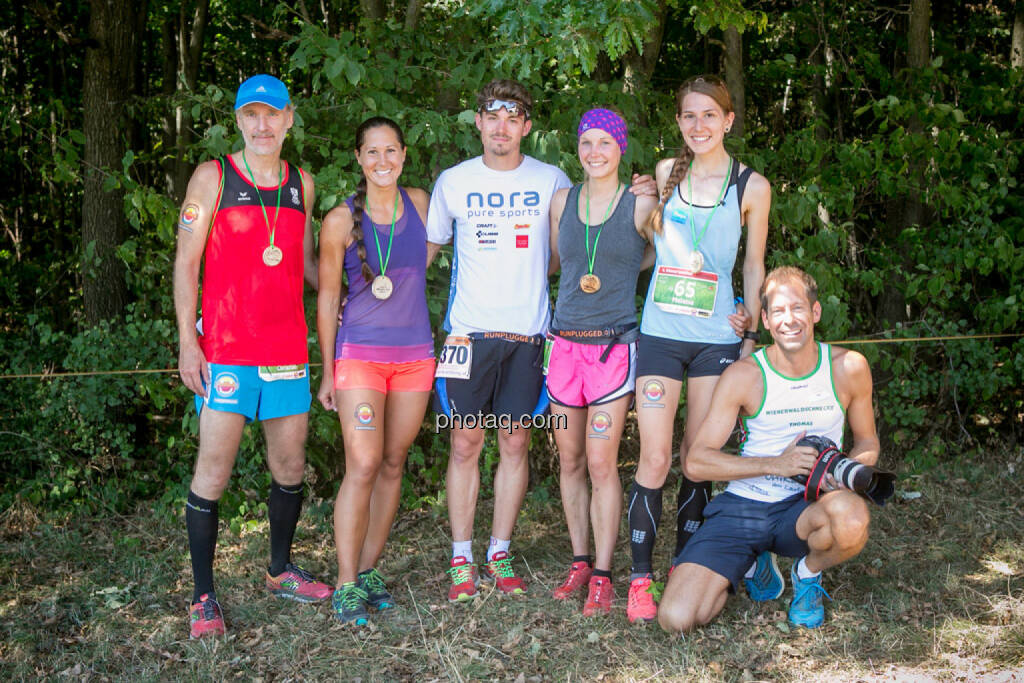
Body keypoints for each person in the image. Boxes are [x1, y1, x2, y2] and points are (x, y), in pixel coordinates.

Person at [173, 74, 329, 639]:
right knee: (211, 474)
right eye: (251, 115)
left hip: (287, 351)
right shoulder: (213, 177)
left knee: (289, 469)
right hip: (227, 353)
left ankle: (280, 569)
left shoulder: (303, 184)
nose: (262, 125)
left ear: (290, 118)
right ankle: (203, 596)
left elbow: (310, 268)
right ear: (238, 121)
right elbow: (187, 263)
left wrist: (354, 262)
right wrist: (189, 344)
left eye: (273, 115)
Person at [658, 266, 879, 633]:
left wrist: (849, 474)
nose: (788, 320)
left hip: (807, 507)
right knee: (676, 619)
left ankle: (807, 575)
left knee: (852, 518)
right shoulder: (745, 375)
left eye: (797, 308)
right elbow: (696, 462)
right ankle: (751, 560)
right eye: (778, 311)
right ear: (765, 318)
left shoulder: (848, 367)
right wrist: (777, 464)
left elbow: (867, 441)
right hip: (745, 506)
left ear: (816, 312)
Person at [625, 74, 770, 623]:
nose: (699, 125)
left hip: (716, 338)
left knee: (696, 461)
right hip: (660, 334)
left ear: (728, 121)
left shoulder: (751, 185)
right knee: (655, 457)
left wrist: (750, 332)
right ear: (679, 123)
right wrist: (641, 204)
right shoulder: (665, 173)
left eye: (710, 115)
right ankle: (640, 579)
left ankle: (685, 565)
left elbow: (753, 263)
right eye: (689, 115)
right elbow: (645, 241)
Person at [425, 79, 573, 601]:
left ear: (526, 126)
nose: (502, 127)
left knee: (515, 442)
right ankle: (461, 557)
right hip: (468, 334)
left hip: (528, 336)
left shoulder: (553, 179)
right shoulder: (453, 181)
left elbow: (563, 256)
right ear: (479, 121)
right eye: (493, 116)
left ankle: (500, 550)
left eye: (513, 118)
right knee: (465, 442)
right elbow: (425, 253)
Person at [316, 117, 434, 625]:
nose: (383, 161)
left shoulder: (423, 204)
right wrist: (327, 370)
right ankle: (344, 584)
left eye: (391, 151)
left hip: (415, 358)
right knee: (362, 464)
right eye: (372, 153)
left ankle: (367, 572)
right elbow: (326, 299)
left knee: (392, 462)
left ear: (404, 155)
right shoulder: (339, 221)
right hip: (359, 357)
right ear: (359, 159)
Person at [546, 108, 657, 616]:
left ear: (621, 149)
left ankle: (607, 575)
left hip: (613, 348)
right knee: (569, 460)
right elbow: (562, 263)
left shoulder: (639, 203)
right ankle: (580, 560)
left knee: (599, 462)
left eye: (605, 144)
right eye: (586, 142)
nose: (594, 152)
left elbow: (665, 253)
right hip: (565, 348)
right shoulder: (562, 201)